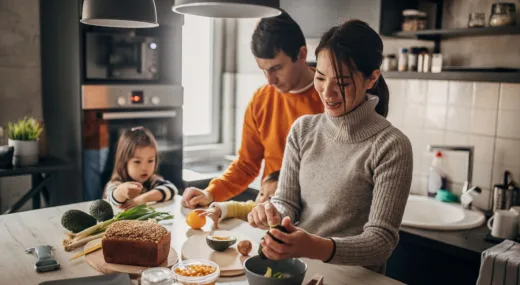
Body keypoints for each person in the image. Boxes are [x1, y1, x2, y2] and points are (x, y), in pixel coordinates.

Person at [247, 20, 413, 274]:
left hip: (356, 278)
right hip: (301, 270)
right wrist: (272, 212)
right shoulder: (303, 130)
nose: (327, 92)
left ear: (371, 79)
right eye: (321, 78)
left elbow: (381, 242)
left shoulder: (391, 146)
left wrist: (314, 247)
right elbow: (286, 201)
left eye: (343, 83)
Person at [182, 11, 324, 209]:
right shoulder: (261, 99)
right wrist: (209, 193)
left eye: (276, 68)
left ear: (301, 54)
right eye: (263, 70)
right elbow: (246, 165)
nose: (270, 81)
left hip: (317, 218)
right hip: (271, 215)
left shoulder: (331, 98)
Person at [105, 127, 178, 209]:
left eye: (150, 161)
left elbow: (172, 189)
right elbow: (111, 198)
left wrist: (143, 198)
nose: (144, 168)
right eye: (137, 162)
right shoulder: (117, 182)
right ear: (124, 162)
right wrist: (121, 191)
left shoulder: (152, 180)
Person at [199, 171, 280, 229]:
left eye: (270, 197)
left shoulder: (286, 218)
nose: (262, 199)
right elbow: (236, 207)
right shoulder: (253, 208)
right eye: (261, 193)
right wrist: (217, 209)